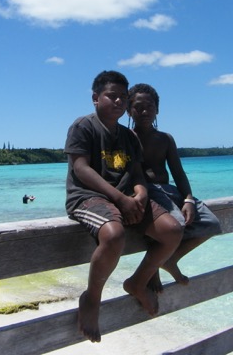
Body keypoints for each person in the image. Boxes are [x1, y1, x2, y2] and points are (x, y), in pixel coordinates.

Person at [65, 70, 183, 343]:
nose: (118, 101)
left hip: (127, 197)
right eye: (111, 96)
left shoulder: (129, 137)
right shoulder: (83, 126)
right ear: (96, 98)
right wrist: (120, 198)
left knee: (172, 231)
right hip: (87, 196)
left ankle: (138, 281)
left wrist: (140, 193)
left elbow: (137, 173)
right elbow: (81, 168)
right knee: (114, 235)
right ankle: (92, 297)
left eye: (122, 97)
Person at [128, 83, 221, 290]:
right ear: (128, 110)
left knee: (211, 223)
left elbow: (178, 172)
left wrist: (188, 199)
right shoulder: (126, 138)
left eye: (149, 107)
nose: (144, 112)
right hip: (147, 192)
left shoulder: (165, 139)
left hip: (169, 191)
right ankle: (150, 271)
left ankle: (169, 259)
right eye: (138, 107)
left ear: (157, 110)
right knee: (174, 225)